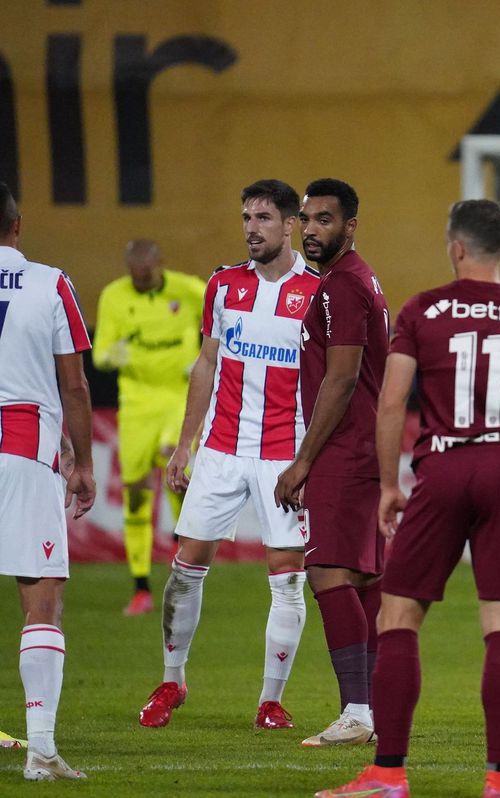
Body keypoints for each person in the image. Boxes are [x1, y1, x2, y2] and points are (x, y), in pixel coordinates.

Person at [318, 200, 500, 798]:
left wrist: (387, 485)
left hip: (444, 465)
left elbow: (389, 403)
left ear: (456, 247)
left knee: (399, 616)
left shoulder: (422, 309)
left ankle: (387, 774)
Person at [136, 179, 318, 731]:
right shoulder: (222, 285)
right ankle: (172, 680)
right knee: (186, 569)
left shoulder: (318, 292)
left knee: (287, 576)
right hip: (220, 448)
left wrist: (313, 460)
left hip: (284, 454)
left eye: (263, 218)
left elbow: (334, 380)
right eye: (245, 217)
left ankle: (270, 700)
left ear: (290, 225)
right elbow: (206, 365)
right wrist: (185, 444)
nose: (251, 228)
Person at [275, 178, 389, 747]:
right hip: (367, 444)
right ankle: (371, 708)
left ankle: (359, 711)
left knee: (325, 571)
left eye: (325, 220)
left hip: (345, 448)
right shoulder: (357, 278)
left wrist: (302, 462)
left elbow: (342, 378)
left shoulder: (341, 287)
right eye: (306, 219)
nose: (312, 229)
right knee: (364, 575)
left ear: (350, 226)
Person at [0, 181, 97, 780]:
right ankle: (41, 749)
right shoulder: (49, 281)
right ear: (18, 224)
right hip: (23, 449)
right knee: (41, 600)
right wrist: (82, 463)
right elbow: (76, 386)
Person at [93, 238, 206, 615]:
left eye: (147, 275)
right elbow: (100, 352)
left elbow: (228, 314)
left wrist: (210, 355)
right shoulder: (114, 296)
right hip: (137, 403)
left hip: (179, 397)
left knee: (177, 467)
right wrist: (113, 354)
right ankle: (141, 586)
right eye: (135, 278)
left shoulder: (189, 290)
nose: (141, 282)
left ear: (160, 265)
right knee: (137, 491)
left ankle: (185, 567)